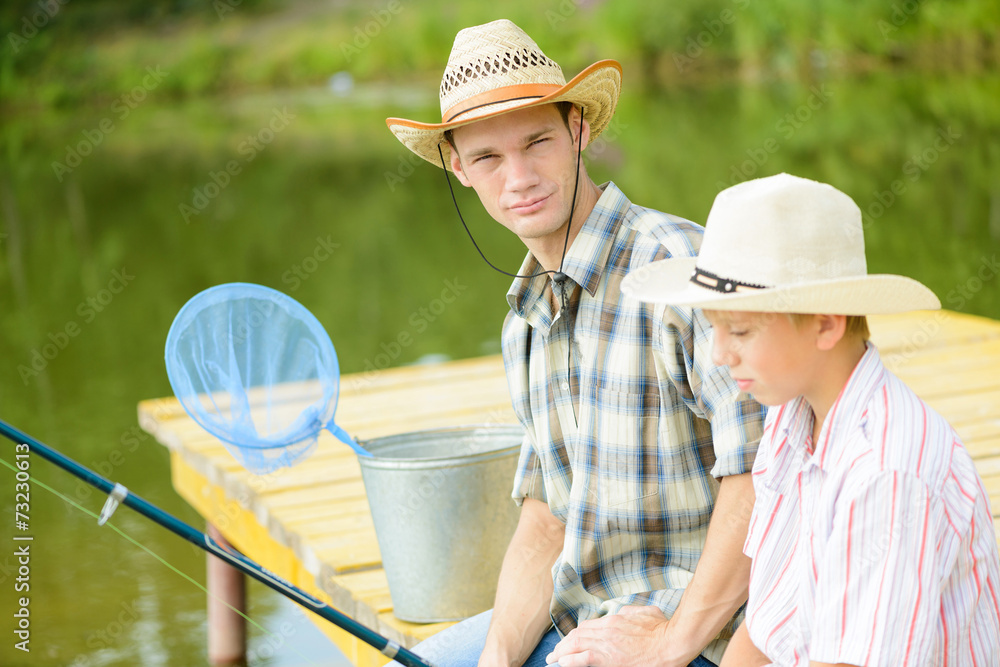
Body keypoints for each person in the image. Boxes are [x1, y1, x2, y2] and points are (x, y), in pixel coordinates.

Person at [385, 19, 764, 667]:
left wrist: (671, 644)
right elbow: (546, 520)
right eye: (487, 158)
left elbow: (765, 479)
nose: (519, 177)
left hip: (714, 633)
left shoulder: (678, 268)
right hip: (585, 624)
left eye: (537, 141)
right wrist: (497, 660)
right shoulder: (524, 321)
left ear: (579, 130)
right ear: (460, 169)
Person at [622, 172, 1000, 666]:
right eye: (714, 328)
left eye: (739, 330)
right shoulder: (791, 416)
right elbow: (765, 623)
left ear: (825, 323)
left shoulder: (884, 470)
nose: (718, 354)